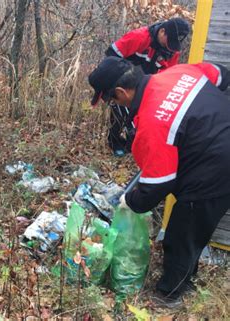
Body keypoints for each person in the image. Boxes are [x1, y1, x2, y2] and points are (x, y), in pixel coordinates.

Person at [88, 56, 230, 308]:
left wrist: (129, 201)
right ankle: (187, 274)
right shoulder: (179, 72)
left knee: (182, 231)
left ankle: (170, 295)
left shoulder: (152, 122)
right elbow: (222, 74)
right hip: (217, 152)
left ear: (121, 92)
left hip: (216, 169)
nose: (113, 105)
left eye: (111, 101)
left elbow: (157, 185)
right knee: (193, 226)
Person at [102, 17, 190, 156]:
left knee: (142, 118)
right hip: (123, 79)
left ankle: (133, 146)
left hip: (146, 83)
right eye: (169, 41)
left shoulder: (172, 50)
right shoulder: (139, 37)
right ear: (162, 31)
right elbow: (111, 55)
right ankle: (115, 143)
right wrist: (113, 81)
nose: (170, 47)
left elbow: (169, 74)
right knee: (120, 113)